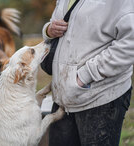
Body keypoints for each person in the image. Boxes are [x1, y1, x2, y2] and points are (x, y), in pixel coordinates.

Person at [42, 0, 134, 145]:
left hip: (100, 97)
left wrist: (84, 77)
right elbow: (63, 26)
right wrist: (49, 30)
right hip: (63, 100)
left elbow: (129, 44)